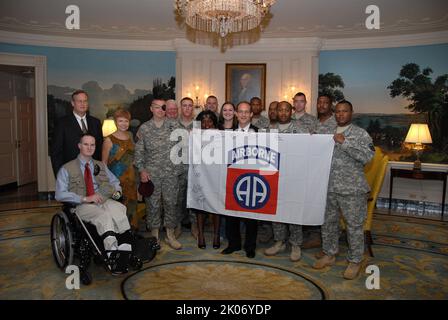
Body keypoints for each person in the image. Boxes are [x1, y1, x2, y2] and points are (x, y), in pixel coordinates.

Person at [313, 100, 375, 280]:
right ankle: (329, 253)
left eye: (344, 111)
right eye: (338, 111)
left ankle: (355, 260)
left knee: (354, 226)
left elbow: (367, 157)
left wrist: (345, 142)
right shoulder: (326, 131)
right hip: (328, 186)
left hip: (352, 189)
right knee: (328, 223)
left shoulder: (359, 133)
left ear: (351, 113)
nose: (340, 114)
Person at [55, 133, 132, 271]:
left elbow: (115, 182)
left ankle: (126, 248)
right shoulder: (67, 168)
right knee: (104, 216)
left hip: (103, 199)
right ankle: (111, 252)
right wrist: (85, 198)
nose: (89, 148)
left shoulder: (100, 165)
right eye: (86, 144)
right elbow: (60, 194)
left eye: (92, 145)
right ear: (79, 146)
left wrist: (116, 192)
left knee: (119, 209)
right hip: (83, 204)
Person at [135, 99, 183, 250]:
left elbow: (184, 146)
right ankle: (154, 236)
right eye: (157, 107)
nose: (161, 110)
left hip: (171, 173)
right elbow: (139, 152)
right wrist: (142, 170)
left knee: (171, 203)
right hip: (152, 174)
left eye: (163, 107)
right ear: (151, 109)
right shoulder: (144, 128)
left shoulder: (174, 125)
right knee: (153, 204)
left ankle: (170, 235)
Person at [264, 101, 308, 261]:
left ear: (292, 111)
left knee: (293, 211)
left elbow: (308, 152)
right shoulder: (269, 130)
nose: (282, 113)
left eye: (286, 110)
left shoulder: (301, 130)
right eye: (279, 110)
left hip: (294, 177)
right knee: (277, 210)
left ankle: (296, 244)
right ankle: (279, 241)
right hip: (274, 176)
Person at [221, 101, 258, 258]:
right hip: (233, 177)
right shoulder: (229, 134)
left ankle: (250, 247)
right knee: (231, 214)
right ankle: (234, 244)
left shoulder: (260, 133)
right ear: (236, 114)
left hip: (251, 178)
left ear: (251, 114)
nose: (243, 114)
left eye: (246, 112)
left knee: (251, 216)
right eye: (240, 111)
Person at [51, 90, 103, 177]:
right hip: (71, 173)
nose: (83, 104)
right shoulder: (62, 123)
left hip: (93, 173)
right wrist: (59, 175)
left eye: (85, 101)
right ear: (72, 103)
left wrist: (98, 172)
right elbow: (56, 153)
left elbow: (99, 150)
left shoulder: (96, 122)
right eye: (79, 101)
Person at [101, 109, 138, 229]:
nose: (123, 123)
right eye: (120, 121)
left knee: (131, 208)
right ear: (116, 122)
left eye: (126, 121)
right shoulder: (109, 140)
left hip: (131, 181)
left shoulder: (130, 137)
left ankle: (131, 233)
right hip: (116, 182)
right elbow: (104, 164)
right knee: (117, 209)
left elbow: (133, 157)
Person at [193, 110, 222, 249]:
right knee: (200, 205)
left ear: (214, 123)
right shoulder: (195, 136)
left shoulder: (221, 136)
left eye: (209, 121)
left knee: (216, 206)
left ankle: (216, 235)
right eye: (203, 121)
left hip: (216, 176)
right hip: (200, 175)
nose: (206, 124)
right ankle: (201, 235)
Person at [176, 97, 198, 240]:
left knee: (194, 196)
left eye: (190, 106)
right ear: (180, 107)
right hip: (177, 167)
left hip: (195, 167)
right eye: (185, 105)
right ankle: (177, 224)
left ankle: (195, 225)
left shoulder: (199, 124)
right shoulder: (172, 124)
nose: (187, 108)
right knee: (178, 197)